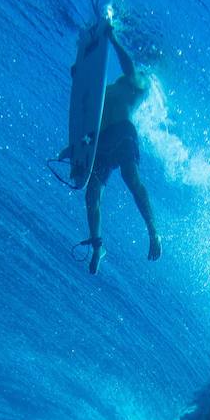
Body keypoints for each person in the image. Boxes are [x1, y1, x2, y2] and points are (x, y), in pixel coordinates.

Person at [66, 21, 161, 274]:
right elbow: (86, 111)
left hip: (123, 133)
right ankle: (98, 246)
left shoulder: (140, 84)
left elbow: (129, 68)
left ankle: (152, 232)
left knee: (131, 177)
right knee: (91, 194)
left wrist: (113, 38)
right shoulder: (110, 89)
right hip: (100, 140)